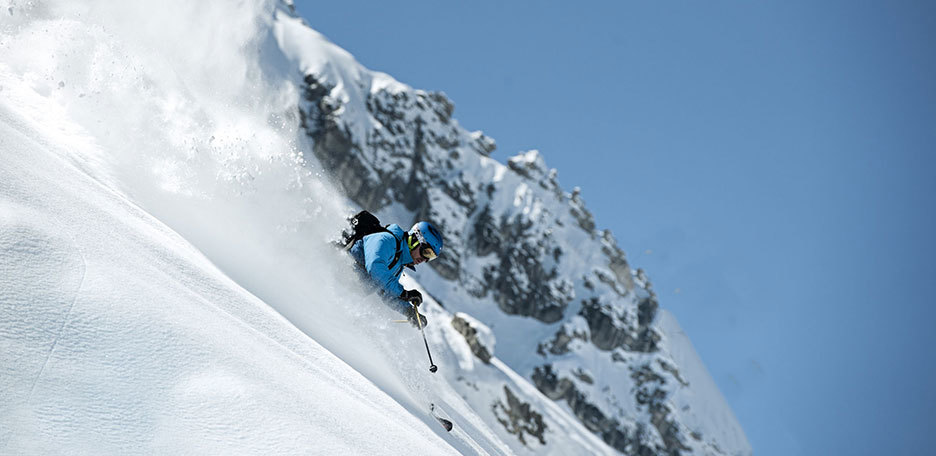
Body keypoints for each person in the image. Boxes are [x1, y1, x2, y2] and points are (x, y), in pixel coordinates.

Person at [348, 220, 443, 327]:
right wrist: (403, 293)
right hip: (337, 271)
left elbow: (384, 291)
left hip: (346, 291)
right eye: (426, 252)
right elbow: (375, 267)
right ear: (416, 239)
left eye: (430, 257)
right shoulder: (386, 240)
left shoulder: (398, 263)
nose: (424, 259)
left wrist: (409, 312)